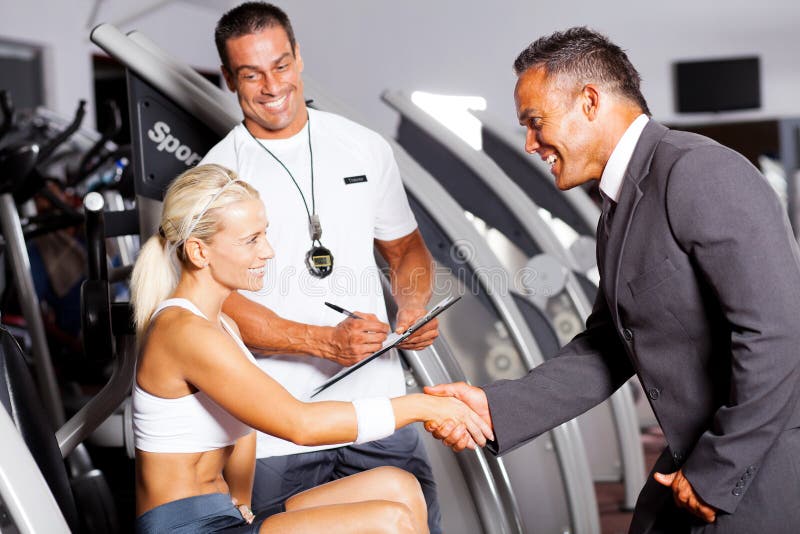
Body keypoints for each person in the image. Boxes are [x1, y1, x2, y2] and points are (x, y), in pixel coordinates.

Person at [425, 27, 800, 534]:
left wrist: (718, 472)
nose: (531, 144)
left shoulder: (698, 171)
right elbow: (609, 346)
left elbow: (779, 335)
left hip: (759, 462)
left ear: (590, 101)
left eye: (535, 123)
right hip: (697, 451)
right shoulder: (619, 206)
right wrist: (495, 408)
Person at [129, 163, 491, 533]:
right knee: (390, 522)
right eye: (251, 240)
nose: (268, 251)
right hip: (185, 529)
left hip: (222, 513)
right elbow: (299, 424)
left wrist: (240, 502)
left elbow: (246, 428)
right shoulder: (184, 331)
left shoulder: (223, 324)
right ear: (199, 252)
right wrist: (422, 405)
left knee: (398, 486)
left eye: (264, 234)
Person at [200, 3, 444, 532]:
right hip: (277, 428)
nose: (272, 85)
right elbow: (214, 301)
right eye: (251, 74)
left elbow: (407, 252)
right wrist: (321, 341)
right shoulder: (216, 175)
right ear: (227, 79)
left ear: (299, 59)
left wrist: (414, 306)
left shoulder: (363, 147)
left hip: (379, 412)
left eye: (281, 65)